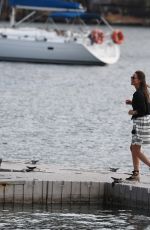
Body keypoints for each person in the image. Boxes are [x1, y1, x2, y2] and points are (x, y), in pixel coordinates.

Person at [125, 70, 150, 181]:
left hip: (141, 122)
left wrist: (132, 111)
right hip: (144, 122)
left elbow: (142, 110)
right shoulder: (143, 92)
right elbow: (145, 106)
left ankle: (140, 171)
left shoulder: (138, 93)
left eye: (133, 77)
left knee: (135, 149)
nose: (131, 79)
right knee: (134, 148)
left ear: (139, 80)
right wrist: (133, 103)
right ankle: (136, 173)